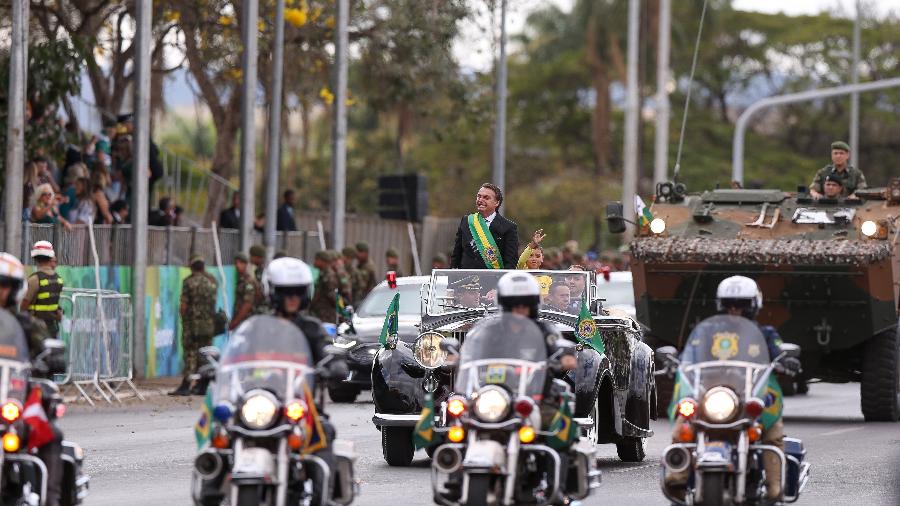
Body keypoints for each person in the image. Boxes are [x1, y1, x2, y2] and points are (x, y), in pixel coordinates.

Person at [666, 275, 799, 502]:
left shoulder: (766, 334)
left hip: (748, 395)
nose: (735, 309)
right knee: (684, 423)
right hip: (711, 394)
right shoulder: (706, 333)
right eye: (730, 304)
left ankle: (775, 488)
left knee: (772, 430)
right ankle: (676, 478)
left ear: (753, 306)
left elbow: (778, 352)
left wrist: (785, 361)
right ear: (721, 305)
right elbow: (690, 355)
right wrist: (675, 361)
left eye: (742, 305)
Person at [263, 256, 344, 500]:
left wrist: (334, 365)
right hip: (263, 403)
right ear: (272, 293)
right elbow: (236, 355)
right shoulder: (260, 326)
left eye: (297, 293)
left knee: (324, 431)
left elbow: (328, 352)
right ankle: (211, 488)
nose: (292, 299)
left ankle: (324, 496)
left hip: (301, 405)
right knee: (223, 434)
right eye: (286, 293)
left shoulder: (312, 328)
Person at [0, 253, 64, 506]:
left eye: (3, 285)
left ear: (14, 290)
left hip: (12, 399)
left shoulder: (26, 325)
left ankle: (51, 500)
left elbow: (48, 354)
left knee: (51, 433)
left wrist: (51, 360)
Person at [171, 255, 218, 396]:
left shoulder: (189, 282)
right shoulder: (211, 282)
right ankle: (202, 386)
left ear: (192, 267)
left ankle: (186, 385)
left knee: (190, 354)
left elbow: (184, 305)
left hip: (192, 325)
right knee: (205, 355)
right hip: (208, 325)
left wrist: (184, 319)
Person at [450, 183, 519, 269]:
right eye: (479, 196)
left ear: (497, 203)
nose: (480, 200)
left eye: (486, 198)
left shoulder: (509, 227)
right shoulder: (467, 221)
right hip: (466, 279)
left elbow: (511, 262)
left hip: (493, 279)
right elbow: (456, 255)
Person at [21, 241, 64, 338]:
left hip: (35, 328)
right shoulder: (59, 279)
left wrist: (21, 318)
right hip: (52, 327)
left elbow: (25, 302)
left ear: (35, 258)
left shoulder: (34, 279)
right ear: (50, 257)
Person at [229, 252, 261, 330]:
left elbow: (247, 304)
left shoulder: (248, 282)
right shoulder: (242, 280)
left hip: (246, 322)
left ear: (245, 264)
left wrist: (235, 322)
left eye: (240, 263)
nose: (237, 265)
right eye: (236, 263)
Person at [309, 251, 340, 323]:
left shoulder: (329, 276)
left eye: (316, 260)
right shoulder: (323, 274)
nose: (315, 262)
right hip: (320, 313)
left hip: (326, 315)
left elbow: (333, 296)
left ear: (322, 261)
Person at [248, 245, 269, 314]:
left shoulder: (265, 271)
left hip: (264, 309)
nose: (250, 258)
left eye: (251, 256)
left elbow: (262, 293)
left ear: (257, 257)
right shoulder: (258, 270)